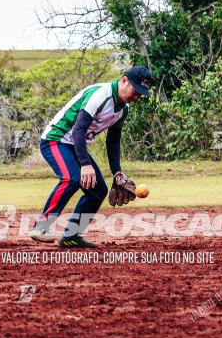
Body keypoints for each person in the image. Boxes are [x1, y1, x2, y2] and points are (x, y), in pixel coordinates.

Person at [31, 66, 154, 248]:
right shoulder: (100, 95)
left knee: (98, 191)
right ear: (124, 80)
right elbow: (79, 129)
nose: (137, 97)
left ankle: (72, 237)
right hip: (56, 139)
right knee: (71, 178)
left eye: (141, 94)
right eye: (136, 90)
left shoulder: (123, 110)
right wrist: (85, 164)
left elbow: (113, 141)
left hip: (75, 145)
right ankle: (41, 226)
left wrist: (117, 172)